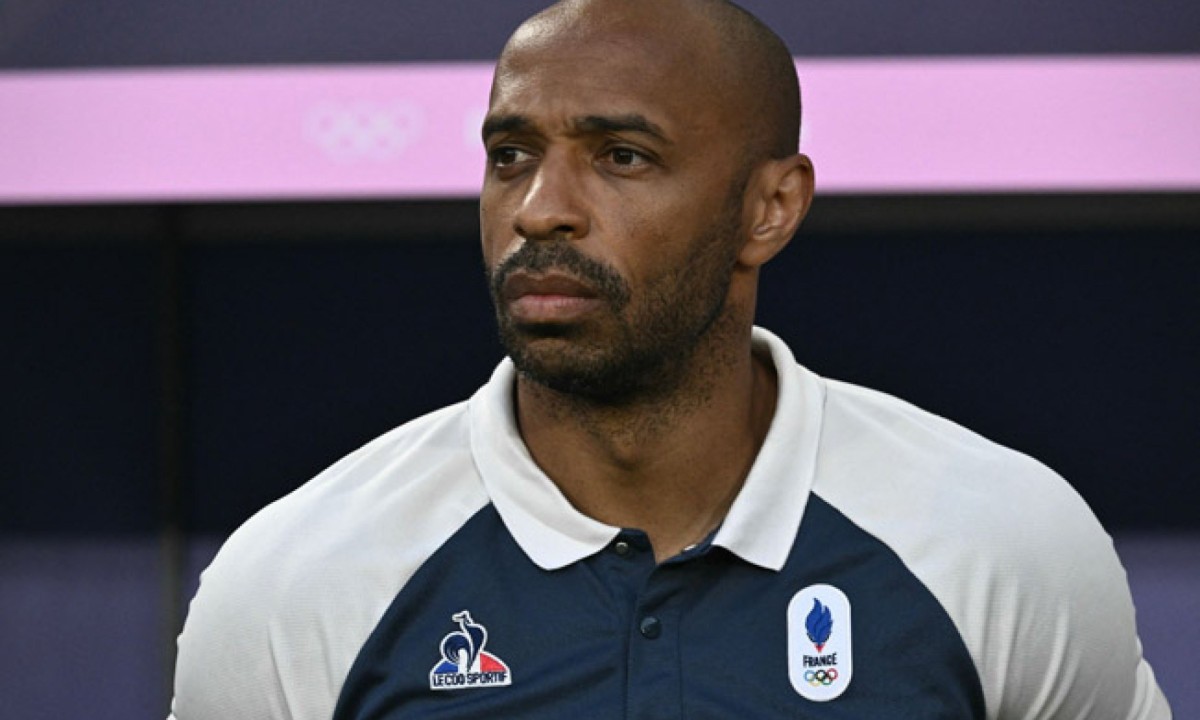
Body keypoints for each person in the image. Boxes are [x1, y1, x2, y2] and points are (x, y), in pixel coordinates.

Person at [169, 0, 1171, 718]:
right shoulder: (295, 581)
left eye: (622, 156)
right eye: (511, 154)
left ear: (769, 207)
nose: (537, 207)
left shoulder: (1002, 543)